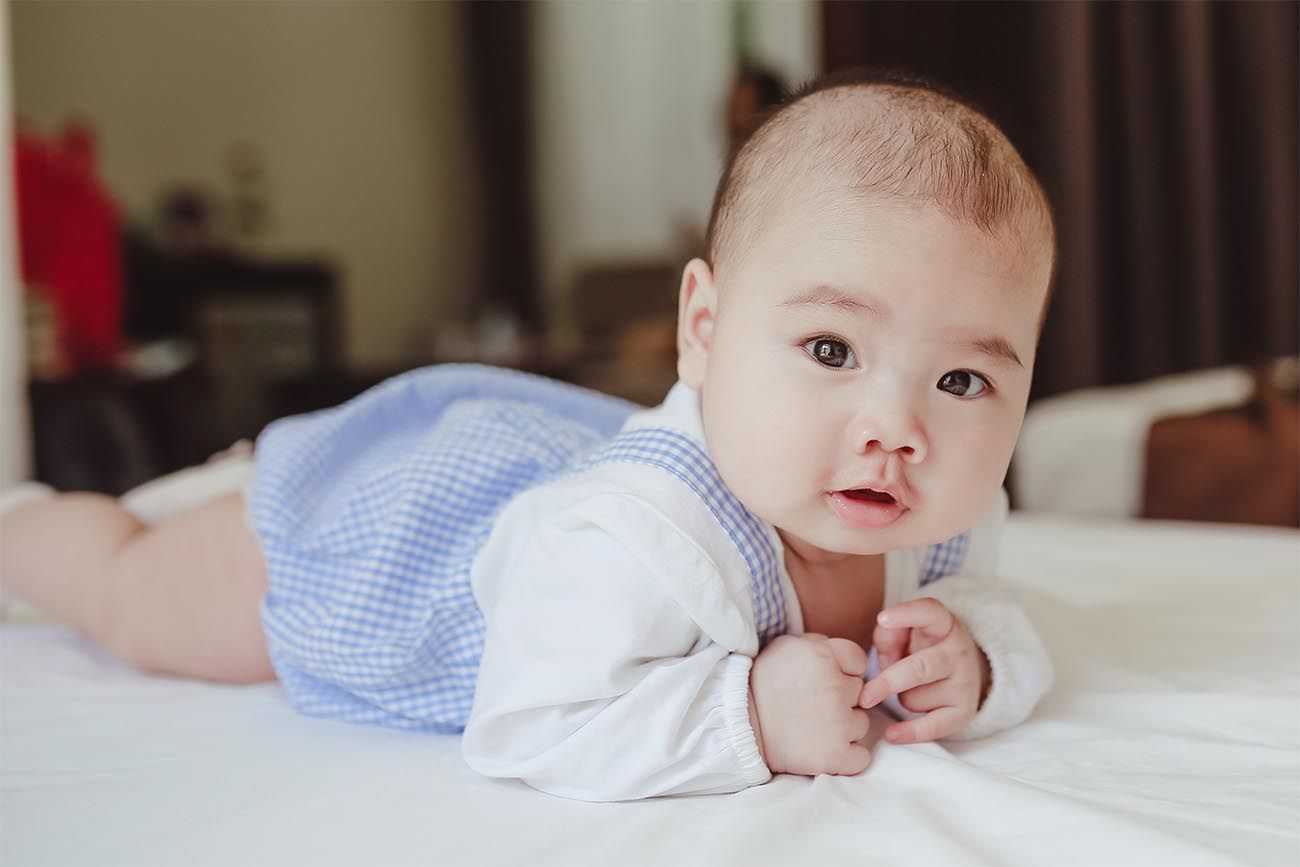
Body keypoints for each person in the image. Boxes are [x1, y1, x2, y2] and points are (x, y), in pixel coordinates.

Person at [0, 69, 1055, 802]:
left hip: (534, 462)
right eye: (831, 351)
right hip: (398, 548)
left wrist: (981, 661)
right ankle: (23, 521)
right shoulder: (628, 544)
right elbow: (528, 718)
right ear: (704, 329)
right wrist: (745, 716)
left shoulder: (942, 523)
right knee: (135, 592)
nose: (898, 430)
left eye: (961, 378)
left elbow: (987, 606)